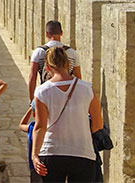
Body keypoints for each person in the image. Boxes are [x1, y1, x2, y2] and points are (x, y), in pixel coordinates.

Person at [31, 47, 103, 182]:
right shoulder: (87, 89)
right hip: (82, 152)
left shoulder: (42, 92)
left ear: (47, 66)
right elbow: (98, 124)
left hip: (52, 151)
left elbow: (40, 126)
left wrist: (35, 155)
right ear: (68, 64)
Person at [28, 21, 81, 104]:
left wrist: (31, 99)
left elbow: (32, 76)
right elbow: (78, 77)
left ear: (46, 34)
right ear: (61, 33)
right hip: (66, 97)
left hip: (45, 95)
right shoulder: (72, 53)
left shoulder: (39, 52)